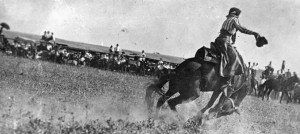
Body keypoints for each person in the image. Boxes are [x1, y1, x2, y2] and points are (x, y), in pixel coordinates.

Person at [214, 7, 261, 97]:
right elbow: (241, 29)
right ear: (237, 15)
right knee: (235, 60)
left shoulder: (227, 20)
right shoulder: (235, 19)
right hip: (225, 41)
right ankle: (227, 81)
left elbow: (231, 31)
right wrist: (254, 33)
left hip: (218, 40)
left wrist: (234, 38)